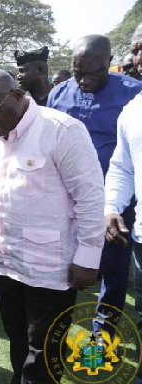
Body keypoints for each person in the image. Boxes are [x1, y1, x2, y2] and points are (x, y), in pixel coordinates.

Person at [0, 69, 105, 384]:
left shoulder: (61, 131)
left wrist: (88, 257)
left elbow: (90, 198)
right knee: (17, 335)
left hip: (51, 266)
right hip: (7, 260)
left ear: (17, 97)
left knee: (45, 347)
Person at [47, 34, 142, 340]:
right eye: (78, 73)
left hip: (113, 205)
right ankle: (57, 330)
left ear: (110, 62)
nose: (84, 80)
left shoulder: (133, 94)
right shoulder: (59, 94)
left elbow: (126, 161)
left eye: (93, 72)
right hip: (68, 202)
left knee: (113, 273)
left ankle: (104, 334)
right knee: (66, 268)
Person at [105, 27, 142, 384]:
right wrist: (112, 207)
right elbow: (122, 168)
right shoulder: (133, 110)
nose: (138, 57)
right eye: (136, 50)